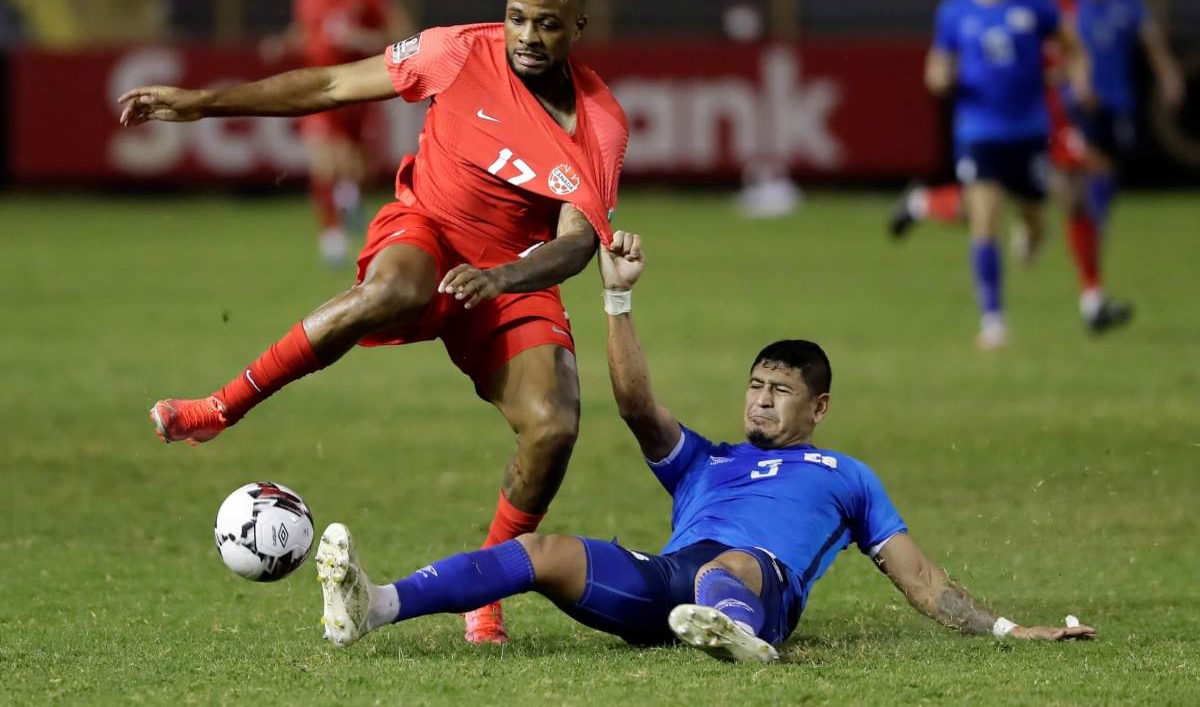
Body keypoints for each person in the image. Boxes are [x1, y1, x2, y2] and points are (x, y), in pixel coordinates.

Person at [119, 0, 628, 644]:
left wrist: (504, 278)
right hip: (428, 229)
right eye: (516, 17)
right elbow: (330, 83)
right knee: (393, 287)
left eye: (547, 24)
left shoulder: (597, 125)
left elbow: (575, 244)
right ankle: (220, 408)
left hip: (509, 277)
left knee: (554, 427)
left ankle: (486, 590)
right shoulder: (455, 52)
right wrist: (203, 103)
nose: (527, 35)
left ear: (578, 27)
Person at [312, 231, 1096, 663]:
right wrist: (617, 296)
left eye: (779, 390)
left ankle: (742, 639)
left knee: (732, 568)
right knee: (545, 550)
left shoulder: (847, 477)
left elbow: (921, 580)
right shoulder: (707, 461)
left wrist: (1009, 631)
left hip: (764, 589)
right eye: (755, 383)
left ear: (819, 407)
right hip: (673, 588)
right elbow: (634, 404)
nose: (759, 397)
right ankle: (372, 608)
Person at [922, 0, 1092, 349]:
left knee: (1035, 219)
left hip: (1030, 130)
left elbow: (1072, 49)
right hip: (978, 130)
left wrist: (1079, 79)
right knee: (984, 218)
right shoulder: (954, 11)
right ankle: (993, 319)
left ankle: (1031, 233)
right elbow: (936, 67)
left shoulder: (1037, 7)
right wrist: (940, 78)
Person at [261, 0, 413, 266]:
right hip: (318, 88)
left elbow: (403, 35)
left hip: (359, 87)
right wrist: (284, 43)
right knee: (324, 160)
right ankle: (331, 237)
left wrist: (363, 39)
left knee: (356, 166)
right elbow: (306, 31)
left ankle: (350, 198)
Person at [1070, 0, 1184, 326]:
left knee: (1108, 170)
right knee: (1090, 167)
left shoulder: (1128, 3)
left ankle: (1087, 221)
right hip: (1078, 105)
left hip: (1119, 103)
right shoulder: (1068, 5)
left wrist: (1168, 75)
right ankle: (1087, 224)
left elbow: (1152, 43)